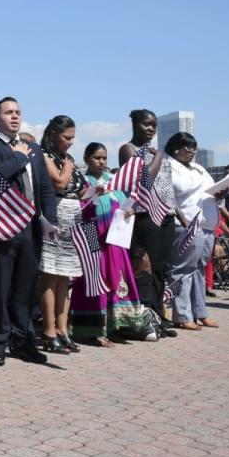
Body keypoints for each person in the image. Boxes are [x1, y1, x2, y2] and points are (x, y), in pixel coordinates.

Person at [0, 97, 57, 366]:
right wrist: (18, 155)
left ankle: (23, 341)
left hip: (31, 226)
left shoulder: (34, 147)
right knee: (0, 287)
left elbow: (44, 187)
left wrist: (50, 220)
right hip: (3, 226)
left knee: (25, 288)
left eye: (18, 112)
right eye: (8, 112)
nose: (14, 116)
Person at [71, 143, 151, 346]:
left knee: (116, 279)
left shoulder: (112, 181)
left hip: (115, 240)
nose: (101, 162)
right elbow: (80, 208)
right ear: (87, 158)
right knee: (96, 280)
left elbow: (123, 204)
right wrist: (94, 194)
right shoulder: (84, 181)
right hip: (93, 238)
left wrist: (129, 211)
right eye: (97, 157)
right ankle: (95, 330)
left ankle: (114, 326)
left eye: (104, 158)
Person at [119, 110, 177, 338]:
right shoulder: (129, 149)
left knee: (161, 269)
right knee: (147, 268)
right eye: (146, 124)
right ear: (135, 124)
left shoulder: (154, 150)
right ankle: (147, 318)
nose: (151, 129)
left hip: (166, 213)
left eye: (154, 125)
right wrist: (159, 157)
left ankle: (159, 315)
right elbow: (144, 179)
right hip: (145, 214)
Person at [36, 116, 86, 354]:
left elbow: (80, 188)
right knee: (50, 275)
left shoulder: (70, 158)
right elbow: (59, 182)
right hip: (54, 218)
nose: (71, 142)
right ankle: (48, 330)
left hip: (73, 218)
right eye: (67, 137)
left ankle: (63, 329)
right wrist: (67, 168)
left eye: (73, 137)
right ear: (54, 135)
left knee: (65, 278)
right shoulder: (44, 156)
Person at [166, 132, 219, 330]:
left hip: (207, 224)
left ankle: (200, 312)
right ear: (175, 148)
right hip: (188, 223)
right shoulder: (169, 166)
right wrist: (182, 218)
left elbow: (210, 189)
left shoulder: (199, 168)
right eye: (186, 147)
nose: (191, 151)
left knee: (199, 270)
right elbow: (172, 193)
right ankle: (181, 315)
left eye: (193, 147)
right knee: (182, 270)